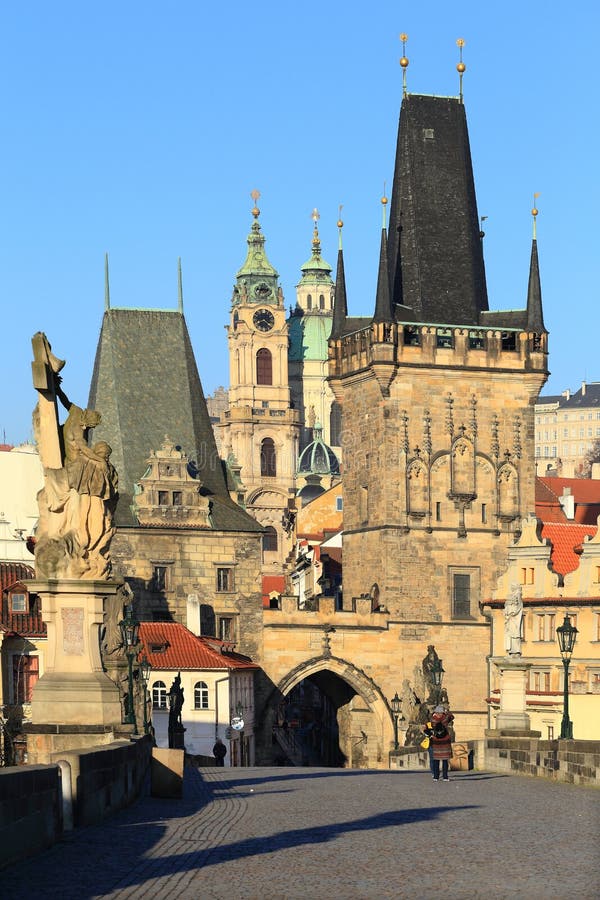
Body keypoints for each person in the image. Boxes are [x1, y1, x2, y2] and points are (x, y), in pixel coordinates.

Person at [422, 705, 454, 781]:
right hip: (445, 741)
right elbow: (451, 716)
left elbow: (426, 727)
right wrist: (446, 711)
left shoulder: (433, 719)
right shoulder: (445, 719)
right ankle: (445, 777)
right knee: (445, 760)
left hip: (436, 741)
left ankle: (436, 777)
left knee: (436, 760)